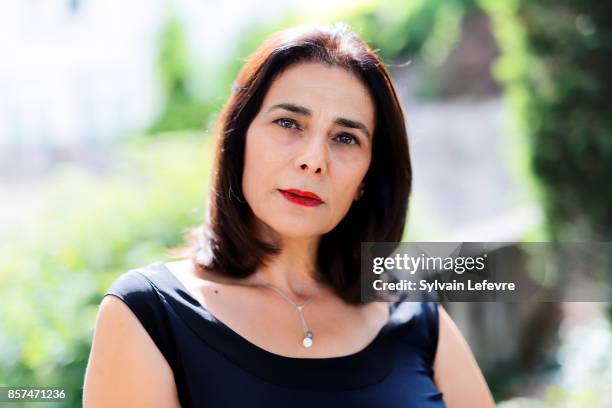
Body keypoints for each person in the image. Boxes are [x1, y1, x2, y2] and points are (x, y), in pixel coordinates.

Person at [83, 22, 495, 407]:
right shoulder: (149, 313)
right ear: (238, 139)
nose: (314, 160)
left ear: (368, 178)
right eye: (288, 123)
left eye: (345, 138)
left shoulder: (412, 311)